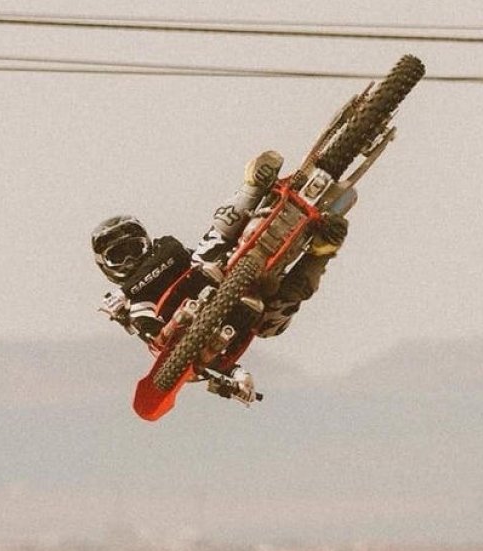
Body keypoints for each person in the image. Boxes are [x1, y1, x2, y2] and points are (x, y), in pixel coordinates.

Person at [92, 151, 347, 396]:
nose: (129, 259)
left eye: (134, 248)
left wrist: (124, 292)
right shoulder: (136, 309)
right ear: (106, 265)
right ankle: (322, 250)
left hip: (214, 267)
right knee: (273, 324)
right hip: (240, 314)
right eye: (119, 255)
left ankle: (253, 186)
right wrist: (235, 377)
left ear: (146, 242)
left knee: (209, 245)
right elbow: (169, 350)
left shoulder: (165, 250)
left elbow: (175, 254)